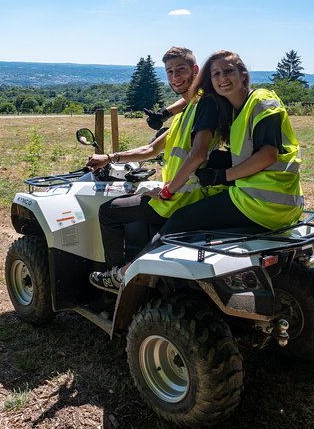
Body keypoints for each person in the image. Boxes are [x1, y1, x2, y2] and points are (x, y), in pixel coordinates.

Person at [96, 50, 304, 290]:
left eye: (228, 72)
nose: (221, 78)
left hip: (255, 201)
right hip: (267, 197)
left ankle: (124, 275)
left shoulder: (259, 101)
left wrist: (219, 176)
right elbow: (189, 105)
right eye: (216, 74)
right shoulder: (233, 110)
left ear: (244, 75)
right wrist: (165, 113)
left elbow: (267, 155)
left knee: (169, 225)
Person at [86, 47, 228, 293]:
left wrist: (166, 191)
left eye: (181, 70)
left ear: (195, 70)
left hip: (183, 198)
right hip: (177, 195)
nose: (175, 77)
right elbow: (150, 150)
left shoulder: (205, 105)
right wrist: (110, 157)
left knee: (109, 212)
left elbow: (199, 153)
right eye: (170, 72)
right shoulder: (189, 109)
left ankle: (116, 277)